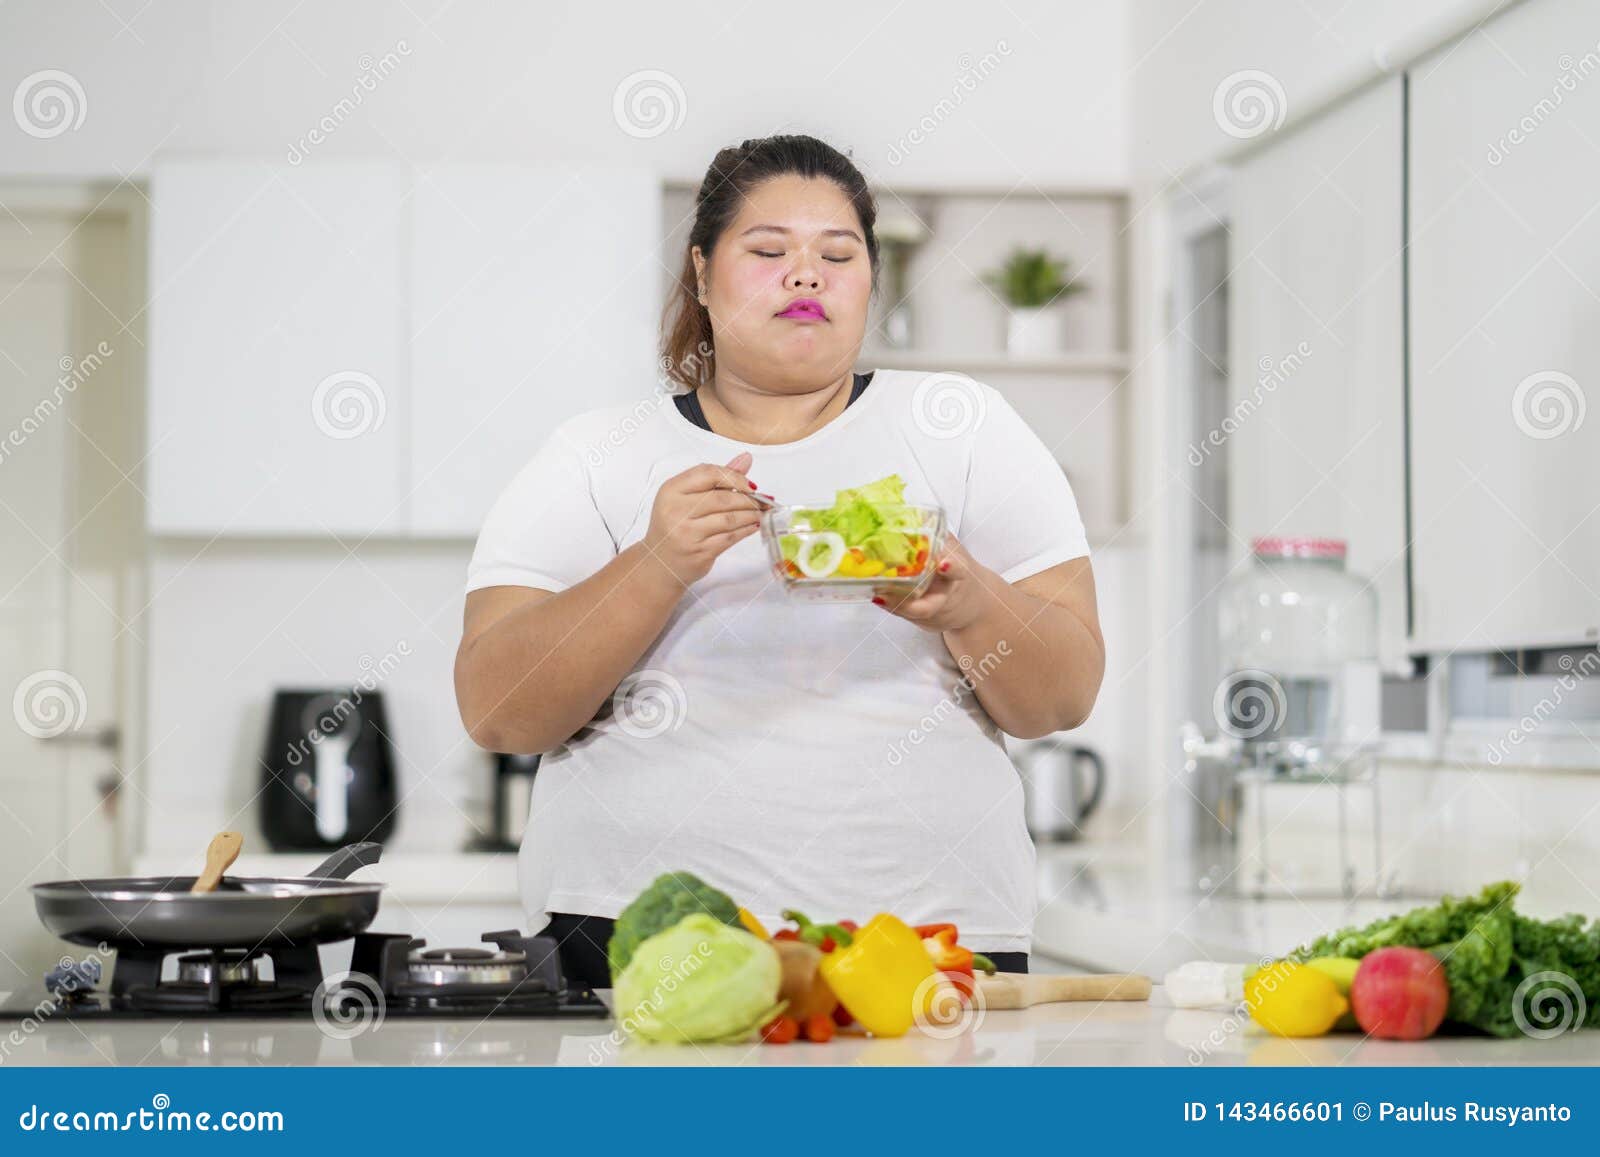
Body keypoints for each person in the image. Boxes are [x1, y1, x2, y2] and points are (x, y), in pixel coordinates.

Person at [454, 134, 1105, 989]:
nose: (807, 275)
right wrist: (655, 563)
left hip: (933, 939)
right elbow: (500, 711)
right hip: (628, 931)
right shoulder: (595, 453)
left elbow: (1062, 697)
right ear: (700, 271)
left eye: (839, 254)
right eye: (768, 252)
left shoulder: (964, 424)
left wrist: (970, 602)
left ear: (870, 278)